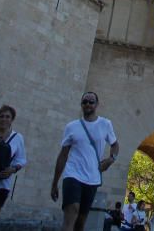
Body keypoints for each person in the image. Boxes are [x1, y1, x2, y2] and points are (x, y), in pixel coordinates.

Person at [51, 92, 119, 231]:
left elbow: (115, 145)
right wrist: (55, 183)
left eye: (91, 102)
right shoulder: (71, 126)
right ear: (81, 104)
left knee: (81, 221)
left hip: (92, 178)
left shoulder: (105, 124)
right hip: (72, 174)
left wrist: (111, 159)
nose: (88, 104)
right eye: (85, 102)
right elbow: (63, 155)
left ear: (97, 105)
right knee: (72, 212)